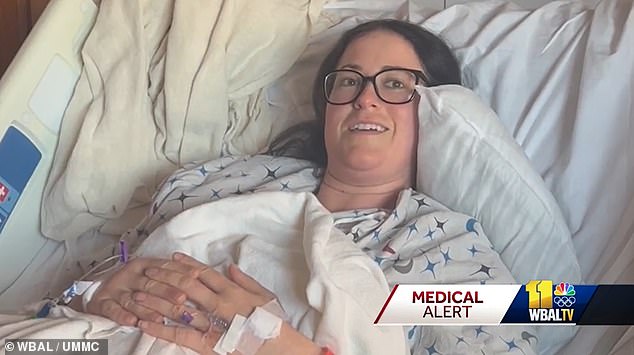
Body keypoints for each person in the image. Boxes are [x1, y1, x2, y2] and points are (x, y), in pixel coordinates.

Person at [75, 19, 462, 354]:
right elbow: (80, 289)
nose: (364, 99)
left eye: (395, 83)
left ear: (437, 112)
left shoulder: (443, 247)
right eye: (348, 81)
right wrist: (93, 295)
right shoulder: (219, 181)